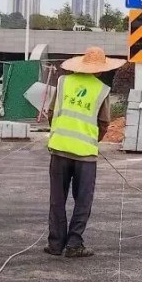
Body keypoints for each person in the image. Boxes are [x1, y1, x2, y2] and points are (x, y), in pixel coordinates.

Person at [44, 46, 124, 258]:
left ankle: (55, 244)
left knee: (57, 199)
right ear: (100, 69)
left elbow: (51, 113)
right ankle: (74, 244)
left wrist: (60, 133)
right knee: (83, 201)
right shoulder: (101, 89)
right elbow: (103, 123)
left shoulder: (63, 82)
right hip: (85, 155)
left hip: (59, 150)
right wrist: (90, 140)